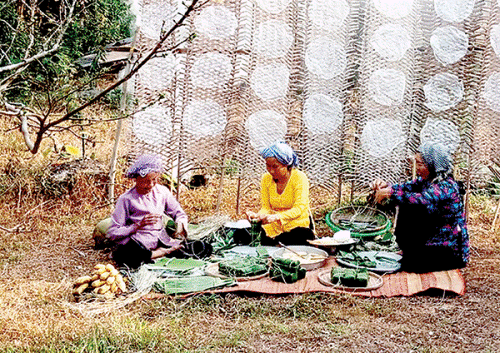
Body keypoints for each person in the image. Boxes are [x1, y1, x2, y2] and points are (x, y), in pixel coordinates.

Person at [371, 142, 469, 273]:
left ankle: (414, 254)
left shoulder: (447, 186)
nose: (416, 167)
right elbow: (403, 188)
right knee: (406, 200)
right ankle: (408, 250)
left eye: (420, 164)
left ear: (433, 165)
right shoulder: (425, 181)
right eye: (415, 163)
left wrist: (390, 193)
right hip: (432, 242)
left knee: (411, 265)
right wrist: (385, 187)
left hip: (449, 250)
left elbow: (422, 200)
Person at [107, 154, 189, 269]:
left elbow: (179, 213)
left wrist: (180, 225)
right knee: (127, 256)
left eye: (154, 180)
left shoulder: (162, 192)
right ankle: (161, 253)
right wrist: (138, 225)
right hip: (138, 242)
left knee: (201, 248)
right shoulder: (126, 199)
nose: (150, 185)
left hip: (161, 239)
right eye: (145, 181)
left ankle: (162, 250)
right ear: (136, 179)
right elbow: (113, 232)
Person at [245, 141, 314, 246]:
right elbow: (266, 207)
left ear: (287, 165)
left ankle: (275, 243)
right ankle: (275, 243)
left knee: (299, 236)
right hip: (273, 227)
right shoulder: (266, 179)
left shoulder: (299, 178)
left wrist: (277, 217)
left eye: (275, 166)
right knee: (244, 235)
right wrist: (257, 217)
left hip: (296, 227)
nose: (271, 171)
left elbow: (299, 209)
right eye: (268, 166)